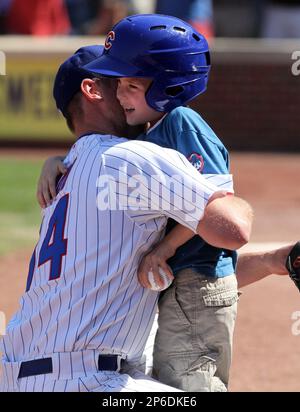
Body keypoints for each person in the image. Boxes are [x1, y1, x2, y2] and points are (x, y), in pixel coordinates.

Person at [35, 14, 300, 392]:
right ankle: (278, 259)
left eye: (129, 84)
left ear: (166, 85)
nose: (122, 94)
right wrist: (55, 161)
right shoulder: (142, 140)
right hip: (182, 285)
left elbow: (219, 217)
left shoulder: (178, 124)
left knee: (190, 382)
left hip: (193, 286)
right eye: (117, 84)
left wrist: (163, 247)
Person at [0, 45, 253, 393]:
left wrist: (270, 262)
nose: (126, 92)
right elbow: (234, 229)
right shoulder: (129, 159)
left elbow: (181, 268)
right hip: (89, 380)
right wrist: (233, 197)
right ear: (92, 90)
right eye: (119, 82)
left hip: (17, 376)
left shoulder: (63, 177)